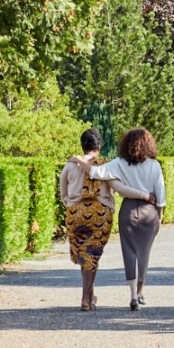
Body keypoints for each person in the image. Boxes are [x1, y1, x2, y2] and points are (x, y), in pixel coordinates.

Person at [90, 128, 166, 311]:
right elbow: (160, 192)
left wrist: (78, 161)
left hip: (129, 209)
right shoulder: (154, 165)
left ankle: (133, 294)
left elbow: (95, 172)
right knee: (144, 253)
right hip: (150, 211)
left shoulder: (119, 163)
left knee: (129, 252)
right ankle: (141, 292)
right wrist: (160, 213)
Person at [59, 128, 112, 311]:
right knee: (93, 255)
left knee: (85, 255)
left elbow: (63, 193)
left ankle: (90, 296)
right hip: (100, 213)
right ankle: (85, 298)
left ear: (82, 145)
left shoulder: (70, 165)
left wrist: (73, 206)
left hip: (75, 213)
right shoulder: (104, 166)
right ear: (99, 146)